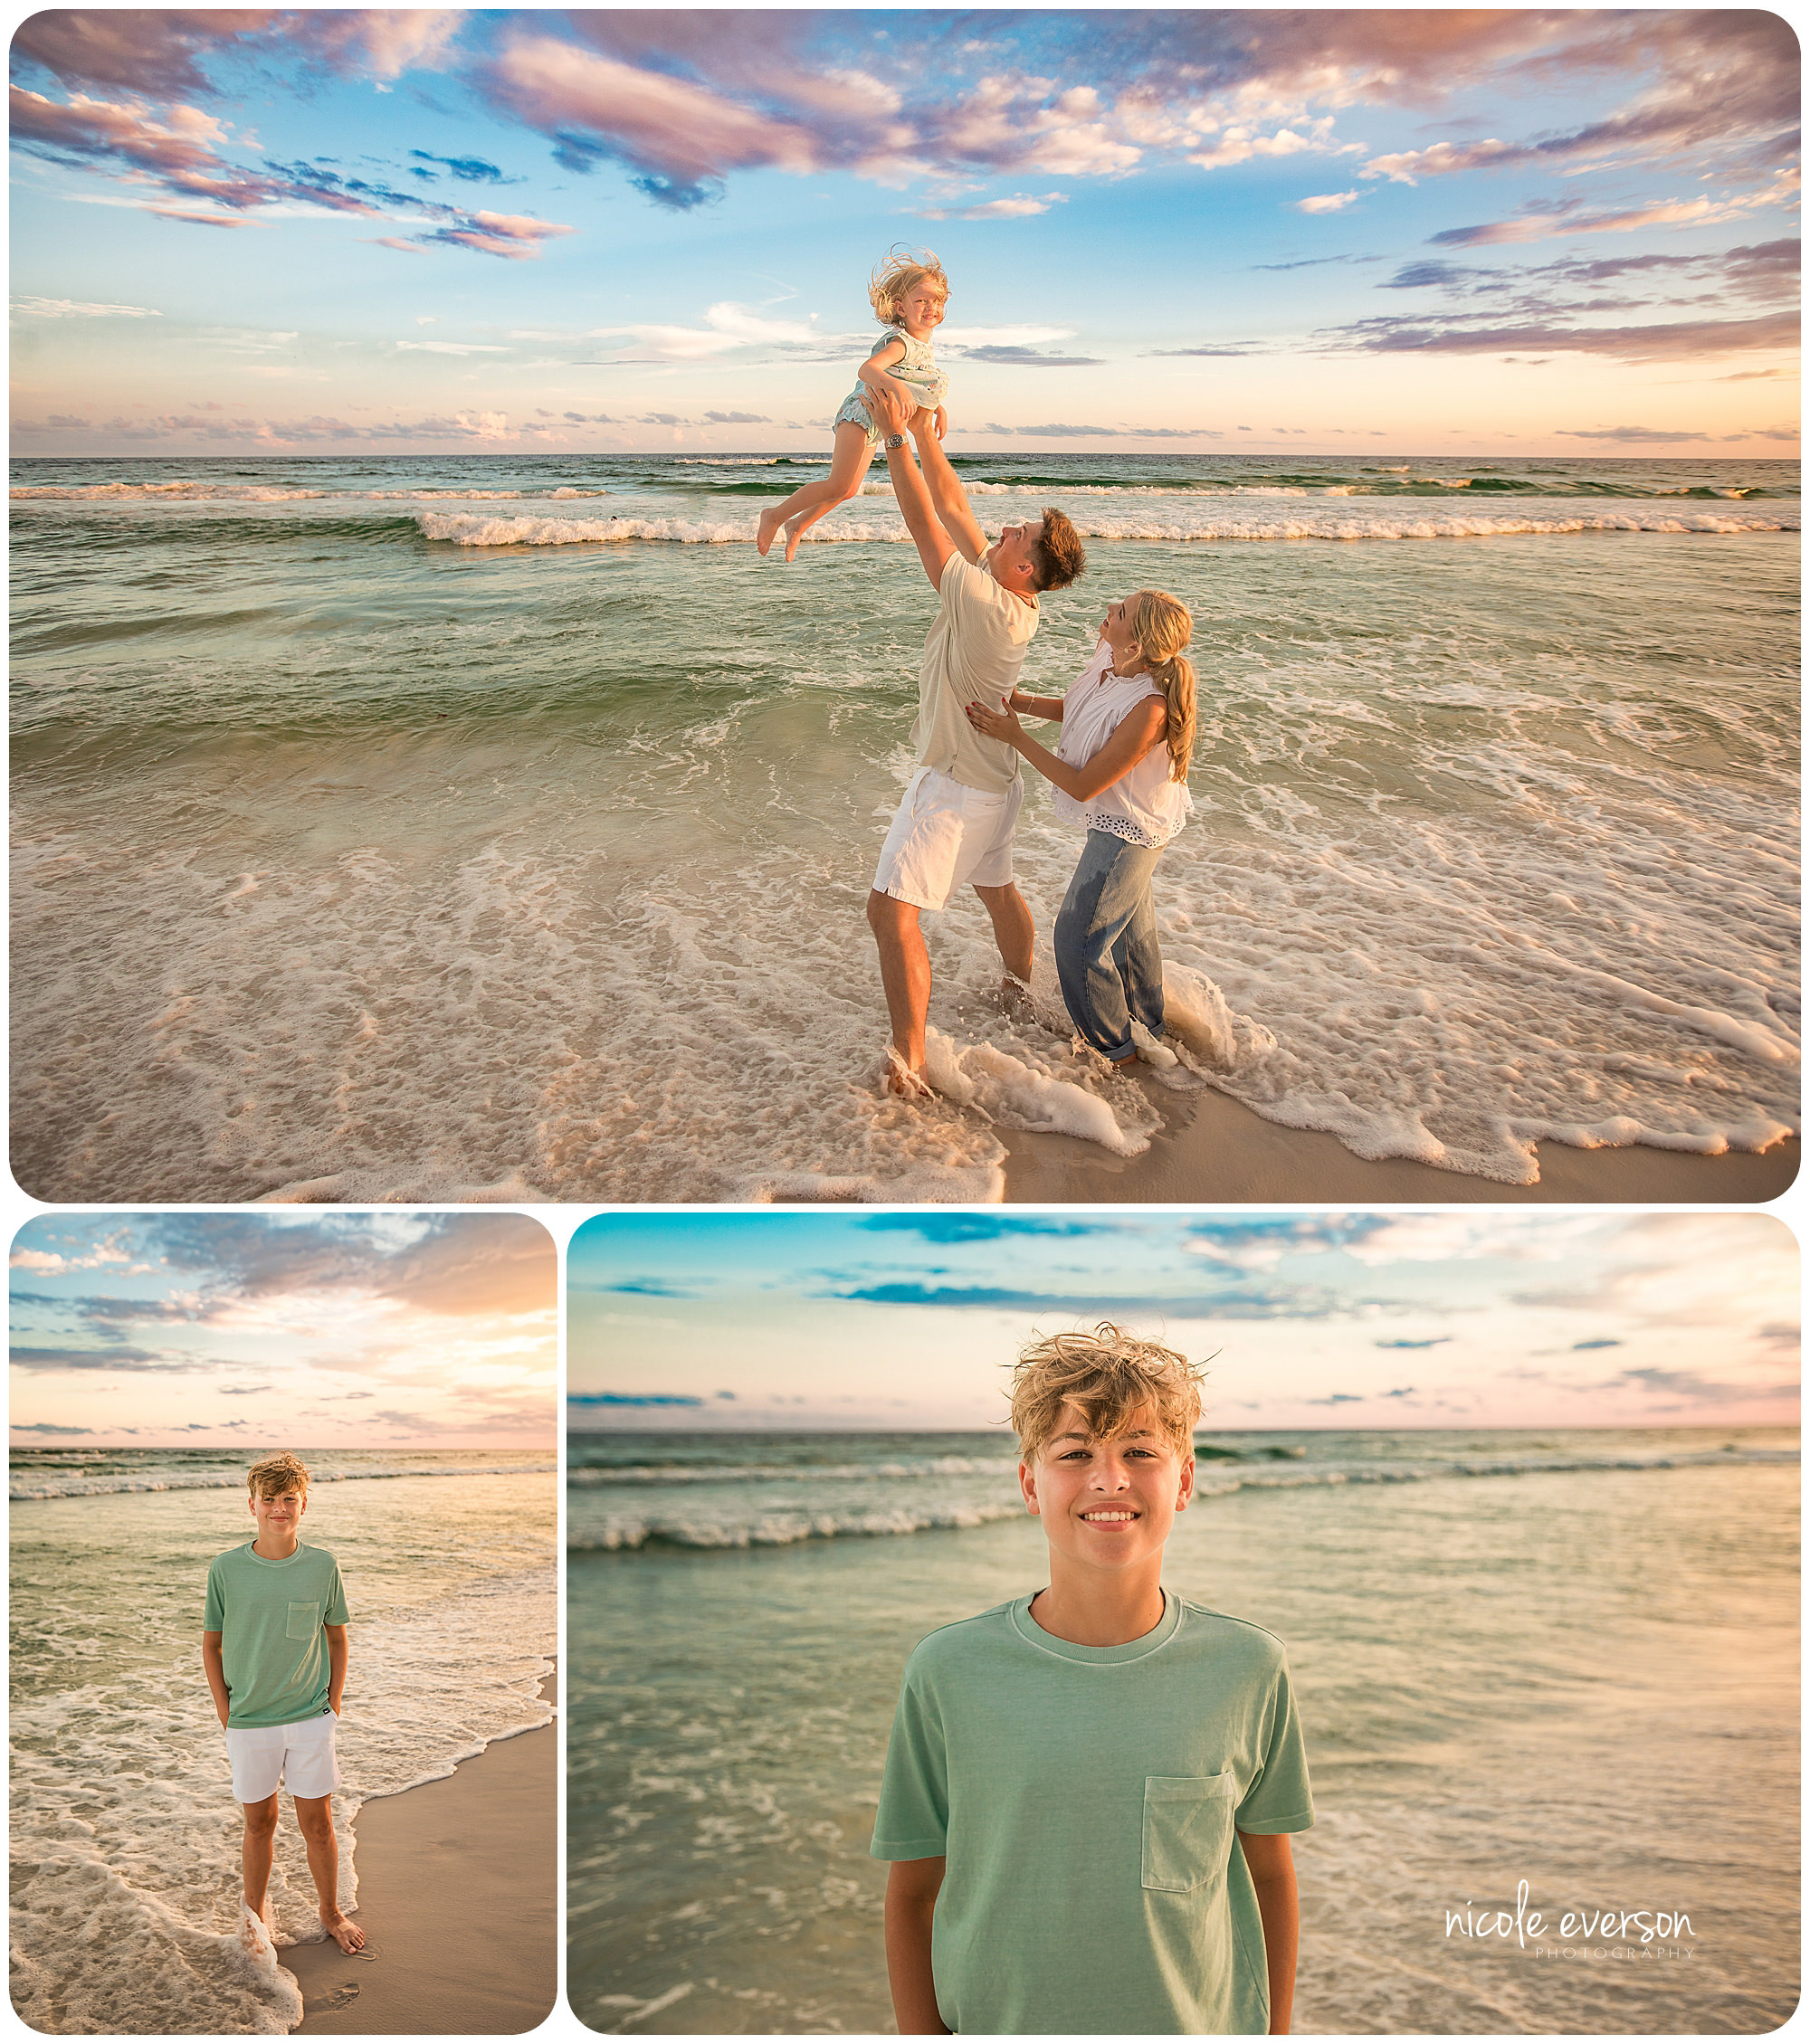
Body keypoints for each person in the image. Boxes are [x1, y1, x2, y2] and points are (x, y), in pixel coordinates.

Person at [872, 1325, 1311, 2036]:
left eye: (1140, 1450)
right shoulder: (948, 1671)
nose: (1110, 1478)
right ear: (1029, 1484)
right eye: (1076, 1453)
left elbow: (1269, 1875)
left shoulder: (1249, 1666)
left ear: (1186, 1479)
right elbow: (912, 1892)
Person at [865, 393, 1087, 1096]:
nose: (1003, 530)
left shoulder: (987, 605)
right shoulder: (1018, 598)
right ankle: (1019, 992)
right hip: (998, 781)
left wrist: (896, 439)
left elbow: (925, 523)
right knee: (997, 890)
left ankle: (910, 1063)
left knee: (890, 913)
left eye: (1016, 534)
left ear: (1024, 566)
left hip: (958, 783)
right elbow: (957, 508)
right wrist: (930, 439)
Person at [967, 589, 1196, 1068]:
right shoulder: (1110, 661)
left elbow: (1083, 785)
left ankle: (1117, 1052)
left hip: (1130, 829)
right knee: (1134, 937)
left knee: (1076, 943)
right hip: (1120, 817)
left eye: (1120, 613)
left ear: (1137, 643)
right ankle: (1150, 1028)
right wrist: (1018, 703)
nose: (1109, 611)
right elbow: (1079, 707)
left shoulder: (1150, 709)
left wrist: (1014, 736)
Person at [202, 1450, 366, 1962]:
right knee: (259, 1824)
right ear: (251, 1504)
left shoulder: (322, 1566)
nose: (279, 1508)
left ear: (304, 1504)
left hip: (310, 1720)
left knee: (318, 1823)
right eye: (268, 1499)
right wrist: (227, 1714)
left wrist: (332, 1705)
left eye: (288, 1499)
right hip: (249, 1722)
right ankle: (256, 1918)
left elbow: (337, 1639)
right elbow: (212, 1644)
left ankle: (331, 1913)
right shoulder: (226, 1569)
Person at [757, 250, 953, 563]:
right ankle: (775, 515)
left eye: (937, 301)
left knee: (847, 490)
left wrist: (937, 406)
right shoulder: (900, 342)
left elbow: (918, 382)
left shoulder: (923, 347)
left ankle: (798, 524)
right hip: (861, 414)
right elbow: (868, 370)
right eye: (922, 301)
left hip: (877, 422)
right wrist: (896, 387)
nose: (931, 307)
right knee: (839, 482)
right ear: (901, 308)